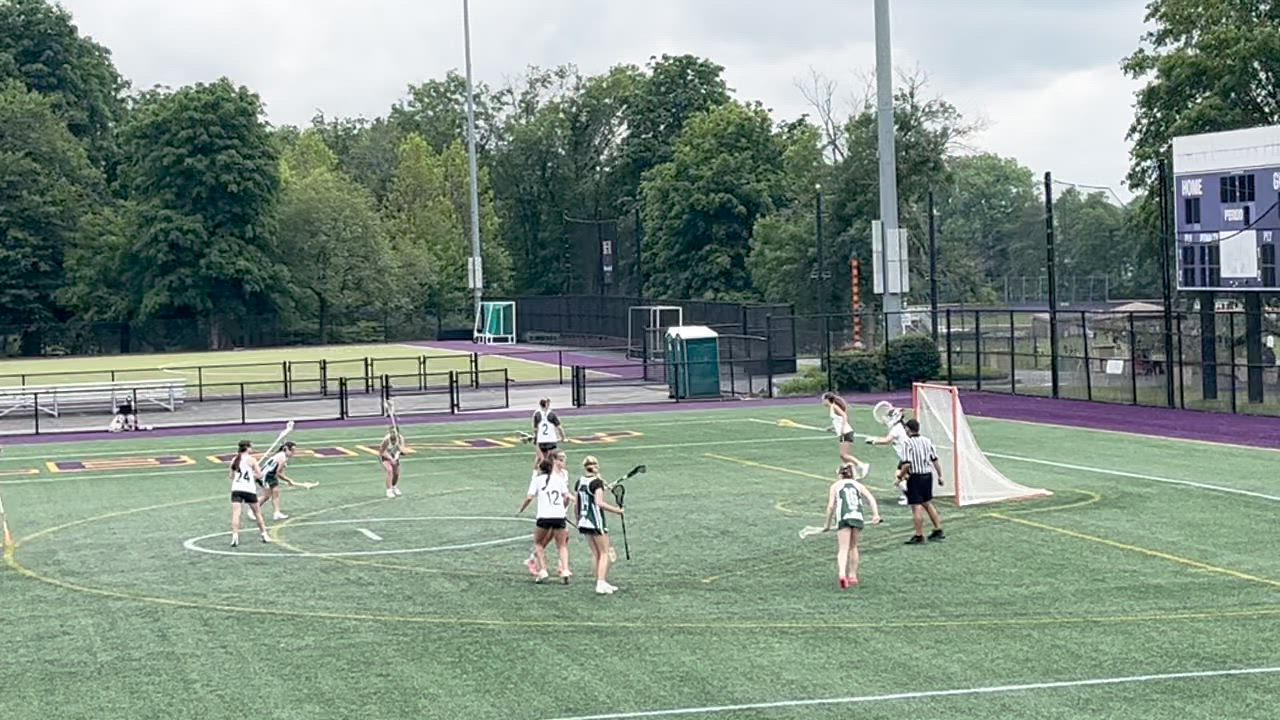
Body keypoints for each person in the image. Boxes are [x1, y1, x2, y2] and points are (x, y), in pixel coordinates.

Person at [823, 463, 882, 589]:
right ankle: (853, 575)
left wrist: (827, 524)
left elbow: (831, 506)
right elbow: (871, 499)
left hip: (844, 517)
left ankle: (842, 574)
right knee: (853, 546)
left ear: (840, 474)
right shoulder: (858, 485)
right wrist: (875, 515)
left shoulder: (835, 486)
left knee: (843, 548)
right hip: (857, 516)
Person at [517, 452, 573, 584]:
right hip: (559, 516)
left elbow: (529, 497)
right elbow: (567, 497)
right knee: (562, 545)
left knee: (539, 543)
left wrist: (521, 509)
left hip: (544, 516)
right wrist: (563, 508)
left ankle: (543, 570)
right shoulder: (559, 479)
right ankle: (565, 570)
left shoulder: (537, 480)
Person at [576, 455, 626, 595]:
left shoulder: (580, 481)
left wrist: (578, 519)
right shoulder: (596, 483)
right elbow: (599, 503)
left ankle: (600, 580)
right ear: (596, 466)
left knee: (596, 553)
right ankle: (600, 582)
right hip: (595, 521)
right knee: (604, 553)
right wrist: (617, 511)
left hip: (584, 520)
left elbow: (578, 502)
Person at [899, 419, 945, 544]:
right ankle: (938, 529)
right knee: (927, 502)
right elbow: (935, 459)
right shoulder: (927, 441)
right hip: (927, 476)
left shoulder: (907, 443)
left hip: (915, 477)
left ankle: (918, 535)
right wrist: (940, 476)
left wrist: (900, 477)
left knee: (916, 506)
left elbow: (907, 464)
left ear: (908, 429)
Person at [866, 406, 911, 506]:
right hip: (907, 456)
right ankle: (909, 495)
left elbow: (887, 440)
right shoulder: (901, 426)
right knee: (903, 477)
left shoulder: (896, 428)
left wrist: (873, 441)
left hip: (907, 457)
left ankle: (910, 497)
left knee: (899, 478)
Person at [229, 440, 270, 547]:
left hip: (236, 489)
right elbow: (260, 475)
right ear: (247, 448)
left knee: (236, 514)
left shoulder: (234, 459)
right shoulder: (252, 460)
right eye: (250, 447)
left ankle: (235, 536)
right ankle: (264, 534)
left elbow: (231, 476)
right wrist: (253, 474)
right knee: (257, 513)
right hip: (249, 490)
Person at [821, 392, 869, 477]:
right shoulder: (832, 408)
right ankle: (852, 471)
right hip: (844, 433)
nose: (822, 402)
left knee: (844, 455)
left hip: (846, 432)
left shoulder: (834, 406)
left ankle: (862, 465)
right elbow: (838, 420)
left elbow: (844, 416)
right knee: (843, 456)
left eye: (823, 400)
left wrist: (842, 429)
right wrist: (831, 428)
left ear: (827, 400)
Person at [259, 441, 306, 521]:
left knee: (276, 493)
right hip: (265, 476)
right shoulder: (282, 457)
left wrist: (288, 480)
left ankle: (277, 513)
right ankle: (253, 510)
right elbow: (279, 473)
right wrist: (289, 480)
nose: (293, 453)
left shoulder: (282, 456)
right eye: (292, 450)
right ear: (286, 449)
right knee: (266, 496)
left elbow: (280, 472)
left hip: (271, 475)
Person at [532, 398, 565, 463]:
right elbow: (559, 427)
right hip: (551, 440)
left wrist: (535, 438)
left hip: (541, 440)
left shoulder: (537, 414)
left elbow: (535, 429)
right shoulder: (551, 414)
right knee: (551, 459)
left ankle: (538, 469)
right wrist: (562, 437)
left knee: (541, 458)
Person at [378, 426, 408, 498]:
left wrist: (401, 450)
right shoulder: (386, 440)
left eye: (394, 432)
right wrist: (391, 459)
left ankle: (394, 487)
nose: (392, 434)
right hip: (385, 456)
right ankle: (389, 490)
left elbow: (403, 450)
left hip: (394, 455)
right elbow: (382, 452)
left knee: (396, 473)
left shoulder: (400, 438)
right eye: (391, 432)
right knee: (389, 470)